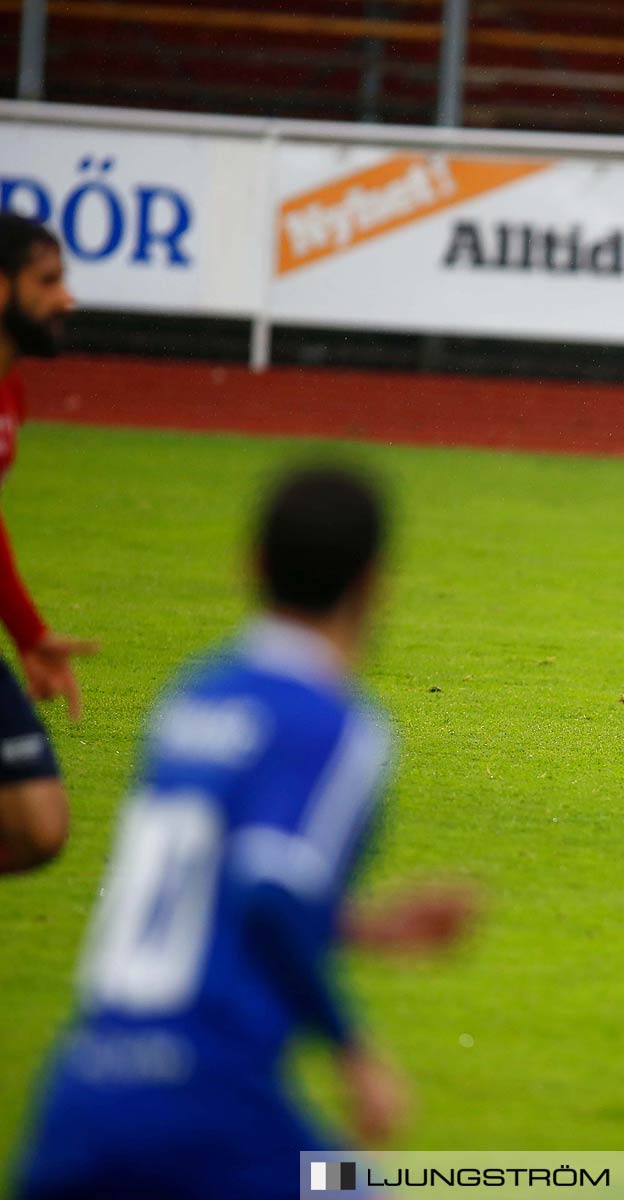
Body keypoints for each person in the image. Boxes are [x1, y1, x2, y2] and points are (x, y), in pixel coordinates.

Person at [14, 466, 478, 1200]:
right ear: (375, 584)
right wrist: (354, 1051)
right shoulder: (335, 725)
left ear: (250, 565)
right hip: (207, 1099)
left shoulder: (191, 698)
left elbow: (213, 887)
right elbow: (268, 892)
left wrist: (366, 928)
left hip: (80, 1091)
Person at [0, 214, 97, 876]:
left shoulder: (12, 393)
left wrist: (29, 634)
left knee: (40, 826)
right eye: (48, 281)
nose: (66, 298)